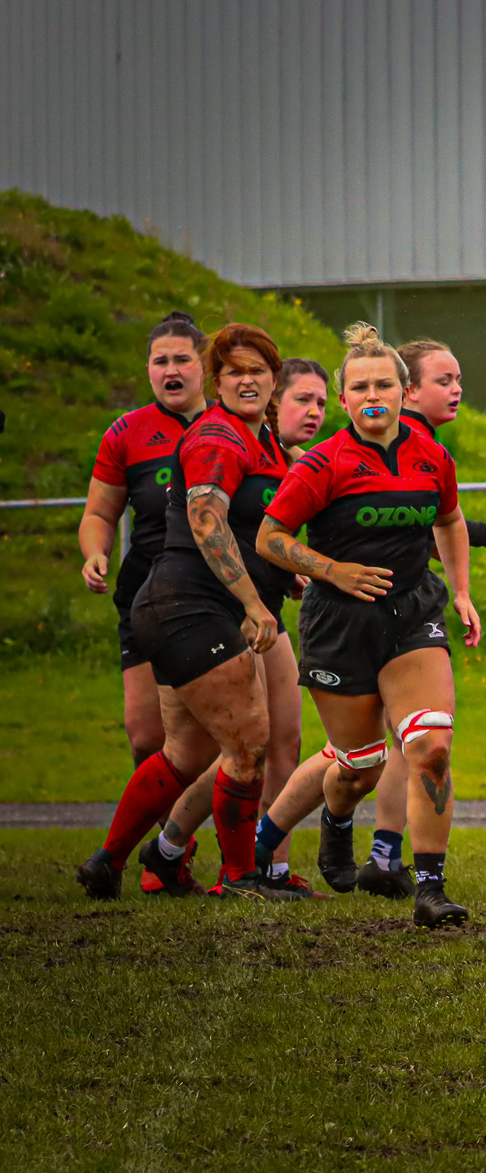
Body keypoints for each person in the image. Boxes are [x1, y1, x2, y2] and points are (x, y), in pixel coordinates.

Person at [261, 339, 486, 900]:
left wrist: (462, 593)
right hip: (339, 624)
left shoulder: (432, 456)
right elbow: (270, 539)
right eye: (360, 387)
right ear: (343, 397)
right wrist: (334, 570)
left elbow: (449, 522)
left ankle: (430, 887)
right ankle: (334, 819)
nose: (372, 396)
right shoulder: (322, 463)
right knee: (359, 766)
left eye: (383, 385)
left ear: (403, 393)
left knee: (431, 744)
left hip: (412, 614)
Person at [77, 324, 306, 901]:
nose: (247, 380)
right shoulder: (218, 437)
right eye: (234, 372)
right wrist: (255, 603)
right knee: (249, 743)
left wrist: (284, 574)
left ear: (274, 379)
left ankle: (110, 861)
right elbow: (207, 523)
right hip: (191, 607)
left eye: (258, 370)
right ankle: (241, 876)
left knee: (185, 753)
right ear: (218, 383)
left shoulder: (265, 440)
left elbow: (256, 527)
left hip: (185, 605)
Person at [76, 311, 209, 895]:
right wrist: (94, 552)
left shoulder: (235, 426)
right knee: (145, 738)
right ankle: (168, 849)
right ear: (148, 370)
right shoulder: (127, 432)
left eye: (182, 359)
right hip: (145, 598)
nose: (171, 370)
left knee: (220, 739)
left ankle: (187, 852)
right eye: (161, 361)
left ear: (204, 366)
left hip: (214, 598)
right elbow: (100, 513)